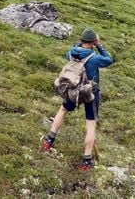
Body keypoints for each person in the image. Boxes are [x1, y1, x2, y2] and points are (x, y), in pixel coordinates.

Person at [41, 28, 113, 171]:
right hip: (90, 94)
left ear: (81, 40)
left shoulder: (72, 53)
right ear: (93, 42)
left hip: (73, 91)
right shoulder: (95, 58)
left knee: (62, 111)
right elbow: (109, 60)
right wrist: (99, 45)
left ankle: (49, 140)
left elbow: (69, 52)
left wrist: (79, 44)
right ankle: (86, 161)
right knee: (90, 125)